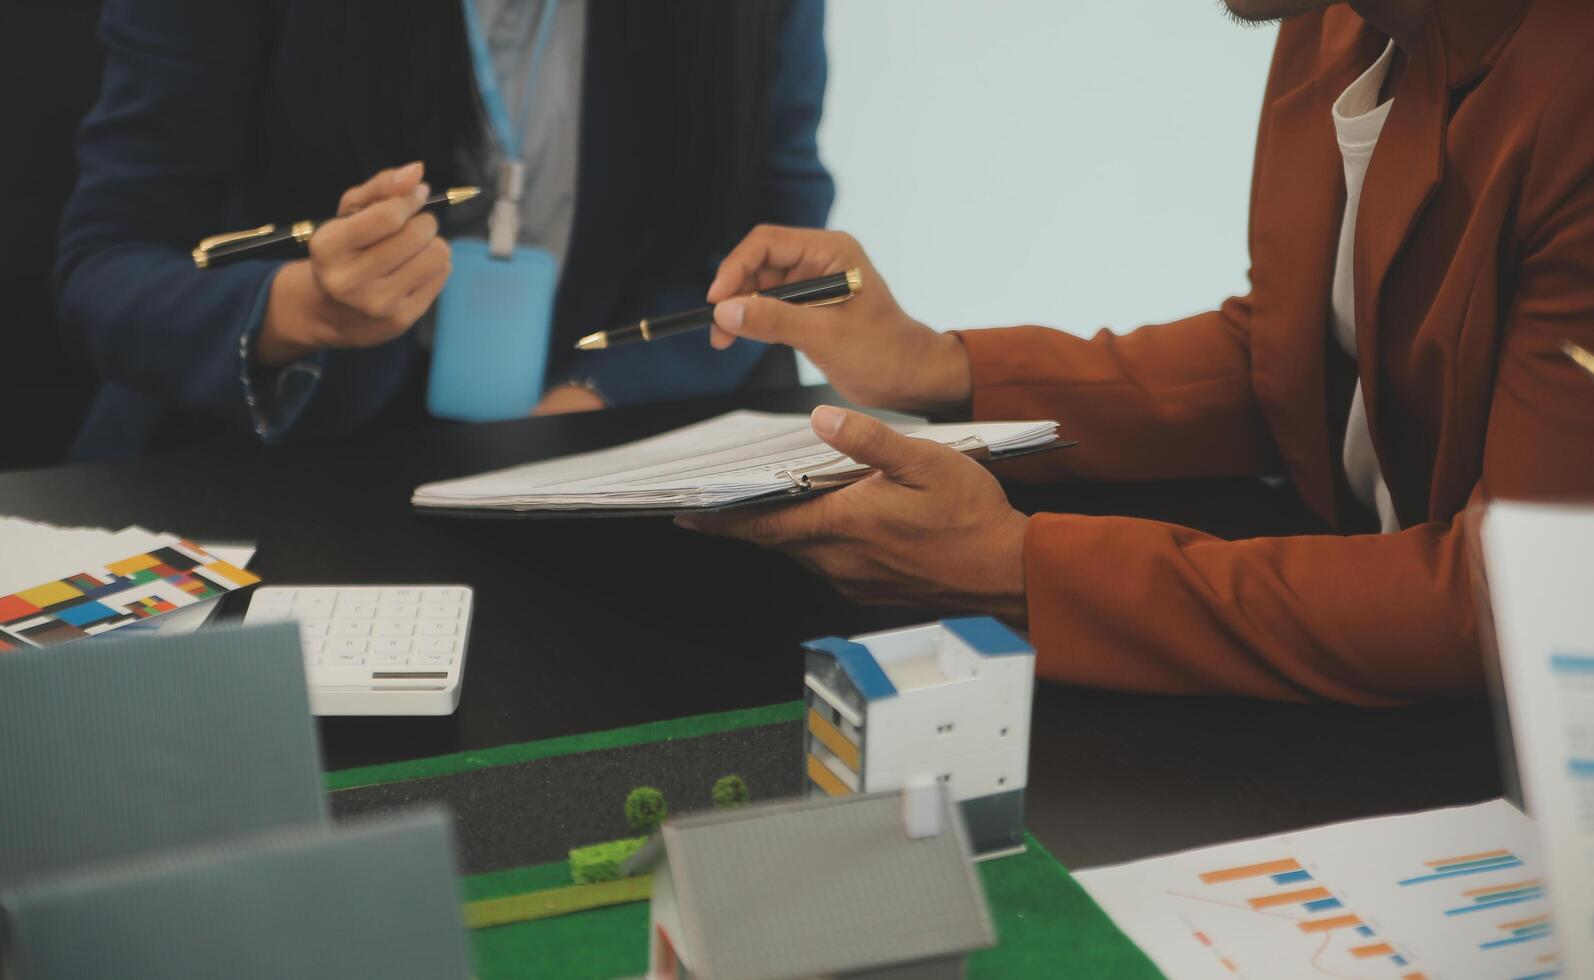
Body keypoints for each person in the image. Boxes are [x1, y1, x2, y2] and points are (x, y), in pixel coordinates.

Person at [681, 0, 1594, 704]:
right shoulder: (1342, 25)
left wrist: (1024, 569)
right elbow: (1292, 360)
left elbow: (1510, 601)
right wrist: (937, 365)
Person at [56, 0, 832, 458]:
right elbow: (104, 267)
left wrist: (598, 404)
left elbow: (765, 230)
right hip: (274, 470)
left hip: (593, 464)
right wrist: (302, 310)